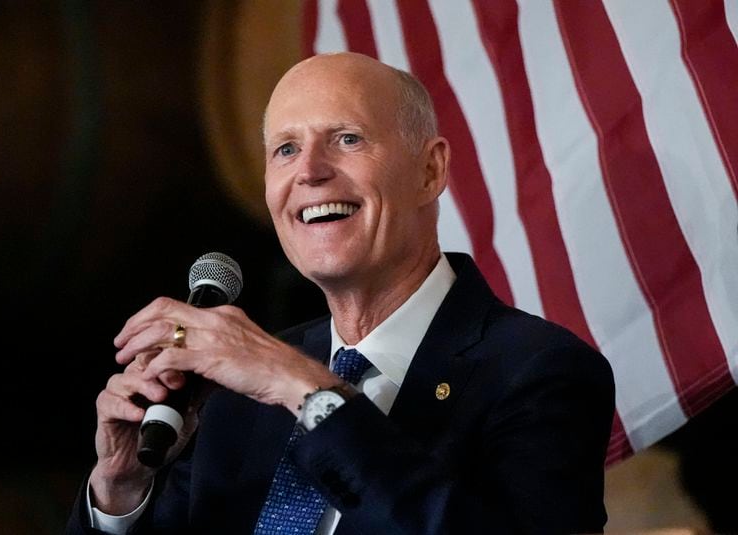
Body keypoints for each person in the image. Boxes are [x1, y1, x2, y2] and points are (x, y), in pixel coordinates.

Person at [66, 52, 615, 534]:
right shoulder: (231, 397)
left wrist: (307, 391)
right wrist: (121, 494)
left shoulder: (541, 373)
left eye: (347, 139)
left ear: (430, 170)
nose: (308, 171)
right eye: (285, 149)